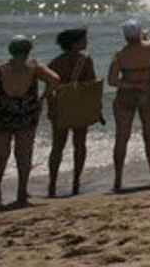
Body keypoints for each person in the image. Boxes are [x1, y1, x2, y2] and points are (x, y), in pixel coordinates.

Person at [0, 36, 60, 210]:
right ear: (29, 51)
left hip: (3, 114)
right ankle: (21, 194)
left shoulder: (3, 68)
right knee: (23, 155)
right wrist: (42, 97)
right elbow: (55, 80)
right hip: (26, 114)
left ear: (10, 51)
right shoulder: (34, 67)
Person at [108, 19, 150, 191]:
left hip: (127, 95)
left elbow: (112, 80)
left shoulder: (120, 55)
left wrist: (131, 85)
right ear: (139, 33)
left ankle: (118, 179)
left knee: (122, 138)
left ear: (125, 36)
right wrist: (145, 37)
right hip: (149, 92)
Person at [46, 27, 97, 198]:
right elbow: (91, 86)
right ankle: (76, 181)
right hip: (79, 107)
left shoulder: (54, 63)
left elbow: (49, 90)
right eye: (83, 40)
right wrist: (96, 109)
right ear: (75, 44)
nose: (86, 42)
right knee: (79, 145)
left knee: (57, 148)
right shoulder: (85, 60)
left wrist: (51, 110)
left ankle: (52, 183)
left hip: (61, 107)